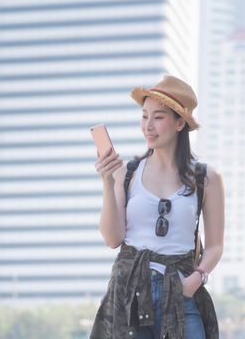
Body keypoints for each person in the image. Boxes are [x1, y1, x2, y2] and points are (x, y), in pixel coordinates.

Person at [90, 75, 225, 339]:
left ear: (179, 123)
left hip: (181, 290)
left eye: (158, 117)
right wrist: (107, 183)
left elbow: (216, 246)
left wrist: (196, 278)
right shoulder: (126, 173)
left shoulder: (206, 178)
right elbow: (112, 238)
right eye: (144, 116)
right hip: (130, 294)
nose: (148, 127)